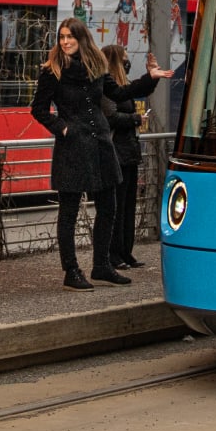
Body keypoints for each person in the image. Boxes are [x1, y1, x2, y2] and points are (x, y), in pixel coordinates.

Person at [31, 17, 130, 291]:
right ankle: (71, 271)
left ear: (81, 38)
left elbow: (118, 92)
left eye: (70, 37)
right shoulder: (52, 71)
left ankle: (102, 265)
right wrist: (62, 128)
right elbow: (38, 109)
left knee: (108, 206)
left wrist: (150, 79)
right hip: (72, 147)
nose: (65, 42)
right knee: (69, 212)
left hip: (100, 144)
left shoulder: (96, 65)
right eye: (62, 37)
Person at [100, 44, 175, 270]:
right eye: (124, 59)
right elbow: (110, 116)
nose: (127, 62)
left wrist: (152, 76)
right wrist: (135, 119)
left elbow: (137, 90)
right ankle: (113, 254)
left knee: (128, 206)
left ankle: (125, 251)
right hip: (116, 152)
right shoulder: (107, 87)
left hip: (129, 151)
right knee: (117, 206)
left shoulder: (122, 86)